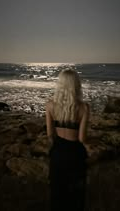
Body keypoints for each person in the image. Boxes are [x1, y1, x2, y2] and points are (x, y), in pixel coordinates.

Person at [45, 68, 90, 211]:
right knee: (75, 196)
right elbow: (82, 138)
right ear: (76, 85)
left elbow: (50, 134)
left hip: (58, 153)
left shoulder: (50, 105)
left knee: (57, 195)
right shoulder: (84, 107)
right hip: (75, 154)